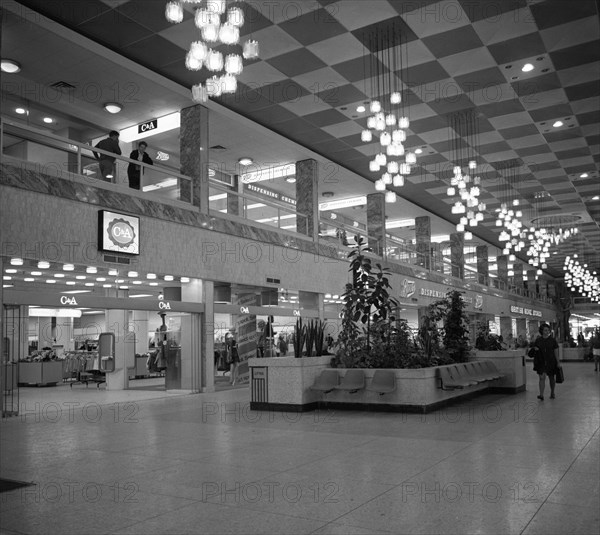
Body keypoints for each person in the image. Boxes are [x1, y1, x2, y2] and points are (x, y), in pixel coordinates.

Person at [530, 323, 560, 400]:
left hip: (551, 361)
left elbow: (556, 351)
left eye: (548, 330)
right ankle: (541, 394)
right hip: (541, 361)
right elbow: (534, 349)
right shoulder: (538, 340)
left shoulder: (552, 341)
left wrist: (558, 362)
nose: (547, 332)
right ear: (542, 331)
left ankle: (552, 392)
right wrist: (535, 349)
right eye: (545, 330)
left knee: (551, 378)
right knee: (541, 378)